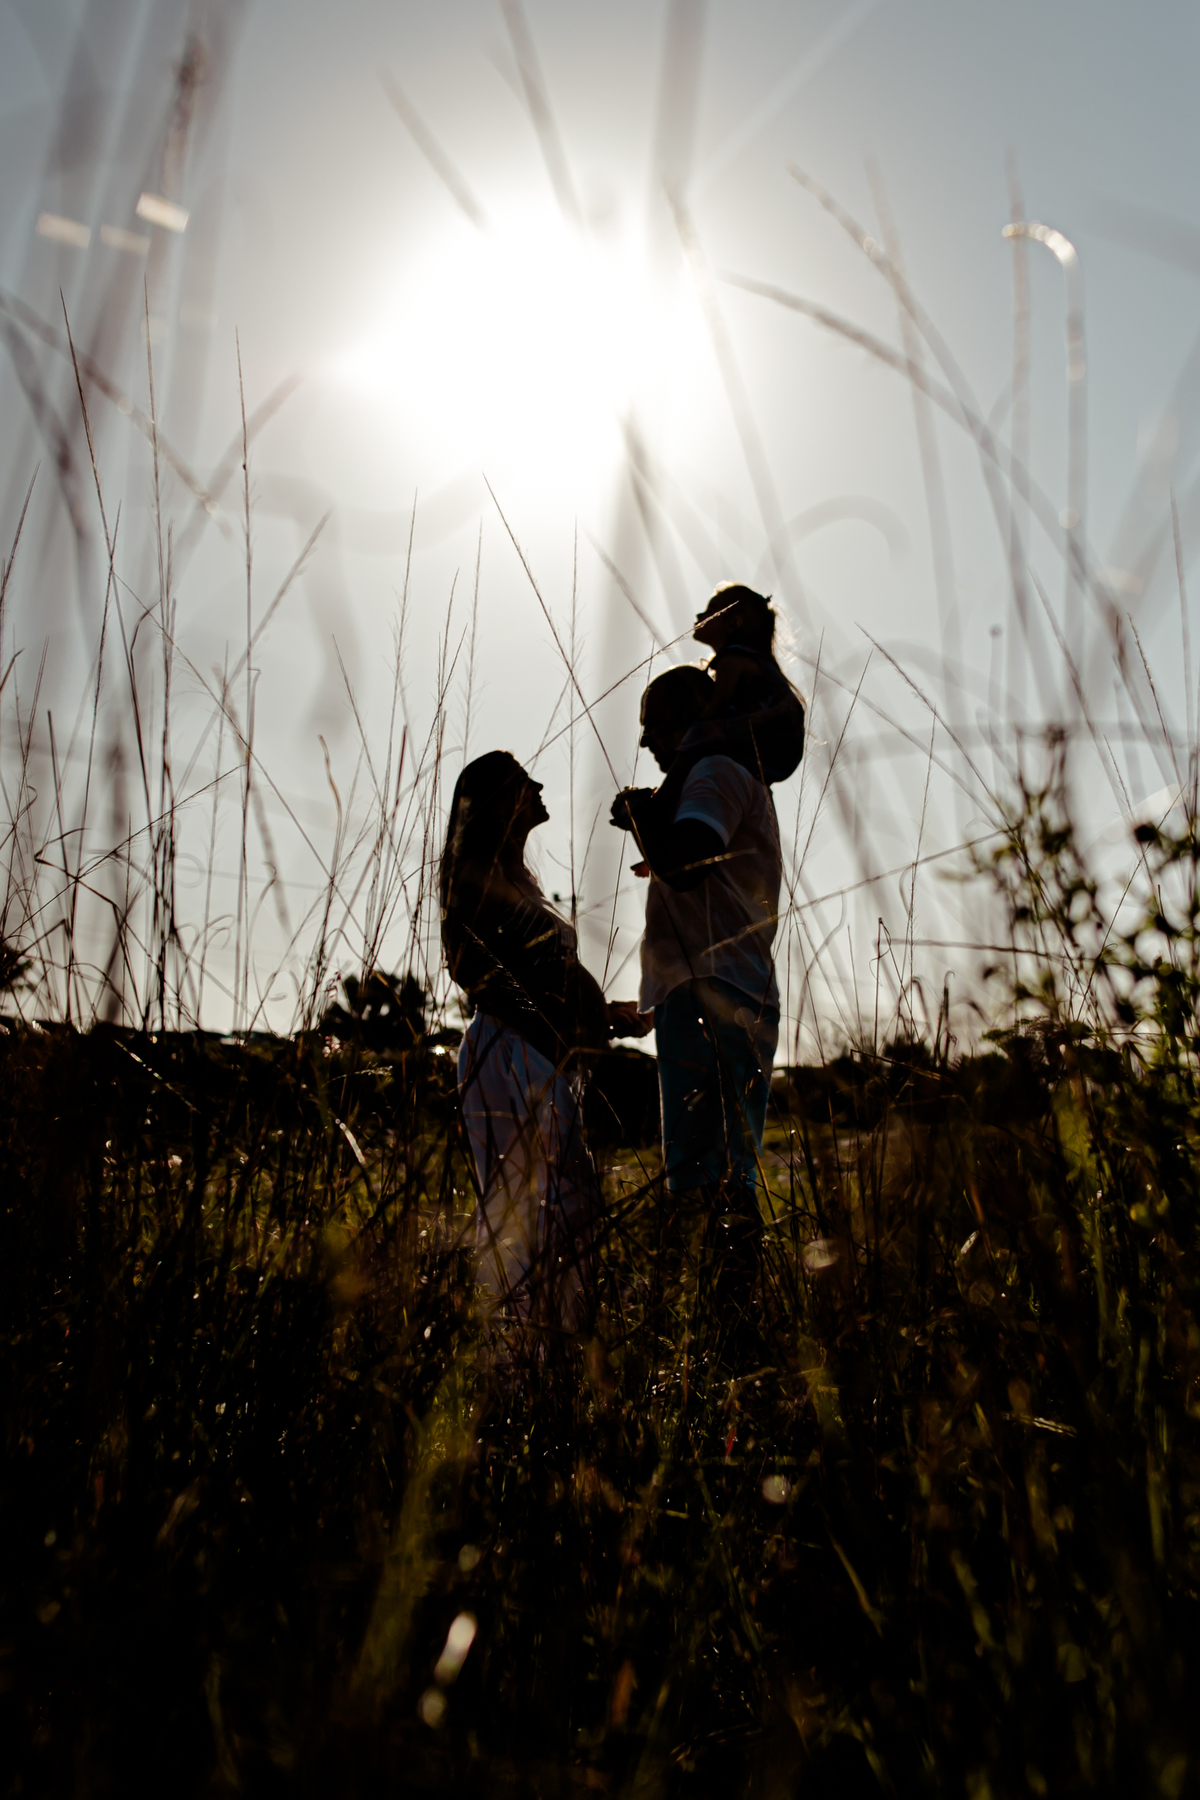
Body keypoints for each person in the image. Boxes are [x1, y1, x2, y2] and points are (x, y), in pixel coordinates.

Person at [441, 751, 647, 1347]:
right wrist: (554, 1023)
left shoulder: (519, 878)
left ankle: (559, 1348)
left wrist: (601, 1018)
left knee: (568, 1202)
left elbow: (544, 979)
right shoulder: (474, 874)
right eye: (522, 780)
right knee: (525, 1207)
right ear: (499, 802)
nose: (536, 785)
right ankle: (516, 1359)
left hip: (538, 1053)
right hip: (509, 1053)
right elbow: (473, 967)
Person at [611, 667, 784, 1315]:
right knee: (725, 1173)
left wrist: (638, 818)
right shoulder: (718, 777)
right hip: (725, 994)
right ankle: (734, 1324)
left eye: (654, 726)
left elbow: (687, 865)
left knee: (706, 1181)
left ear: (690, 719)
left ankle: (722, 1327)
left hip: (716, 997)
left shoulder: (713, 771)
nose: (649, 744)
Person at [651, 583, 805, 823]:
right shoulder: (754, 660)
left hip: (767, 740)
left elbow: (716, 710)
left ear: (734, 623)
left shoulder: (732, 659)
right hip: (777, 748)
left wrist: (695, 729)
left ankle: (662, 798)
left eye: (711, 610)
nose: (699, 616)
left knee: (698, 736)